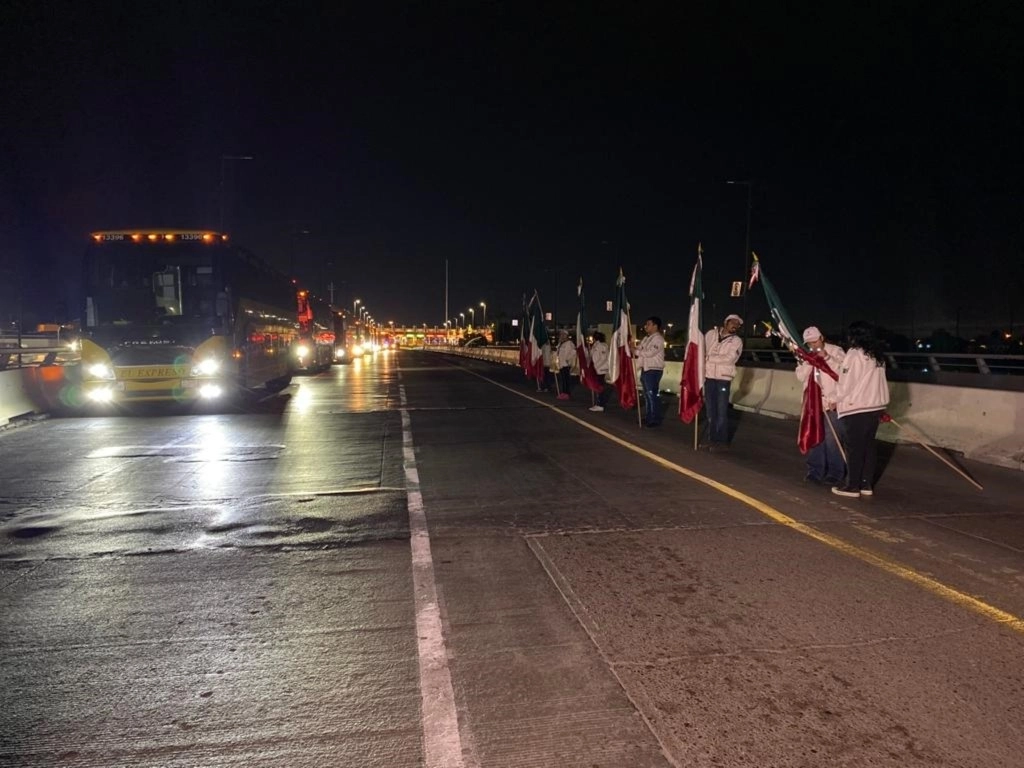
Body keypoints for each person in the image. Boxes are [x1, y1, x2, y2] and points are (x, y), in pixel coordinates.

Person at [833, 321, 890, 498]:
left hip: (856, 407)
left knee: (854, 448)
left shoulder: (854, 354)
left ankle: (852, 486)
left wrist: (832, 400)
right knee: (868, 447)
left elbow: (846, 382)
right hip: (874, 407)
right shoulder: (877, 356)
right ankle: (866, 484)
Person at [795, 326, 846, 484]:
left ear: (822, 338)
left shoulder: (836, 351)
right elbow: (800, 376)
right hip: (813, 401)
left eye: (815, 341)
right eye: (809, 343)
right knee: (815, 435)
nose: (813, 345)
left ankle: (835, 472)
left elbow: (843, 374)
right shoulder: (806, 354)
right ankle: (815, 470)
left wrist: (827, 358)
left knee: (832, 439)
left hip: (831, 401)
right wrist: (809, 362)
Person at [702, 314, 744, 449]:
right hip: (709, 377)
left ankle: (722, 440)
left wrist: (708, 358)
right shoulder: (711, 334)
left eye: (738, 324)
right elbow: (701, 349)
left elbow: (730, 358)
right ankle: (712, 438)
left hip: (723, 378)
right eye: (733, 323)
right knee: (710, 411)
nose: (735, 326)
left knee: (721, 411)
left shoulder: (737, 341)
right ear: (726, 322)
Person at [636, 316, 666, 426]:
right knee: (647, 395)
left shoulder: (658, 339)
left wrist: (636, 351)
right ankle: (649, 416)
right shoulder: (646, 338)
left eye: (648, 324)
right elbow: (639, 349)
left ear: (655, 326)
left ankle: (655, 419)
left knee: (652, 395)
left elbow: (649, 353)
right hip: (646, 369)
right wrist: (633, 348)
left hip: (654, 370)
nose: (646, 326)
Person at [588, 331, 610, 412]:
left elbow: (603, 358)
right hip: (597, 368)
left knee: (600, 387)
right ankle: (599, 403)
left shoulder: (602, 345)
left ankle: (600, 404)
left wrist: (596, 366)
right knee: (598, 386)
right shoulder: (595, 345)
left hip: (601, 369)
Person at [555, 330, 575, 400]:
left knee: (566, 380)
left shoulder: (569, 343)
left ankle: (567, 393)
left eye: (563, 335)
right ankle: (564, 392)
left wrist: (567, 360)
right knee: (563, 379)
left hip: (566, 365)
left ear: (566, 335)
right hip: (561, 364)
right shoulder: (561, 343)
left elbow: (573, 352)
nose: (561, 336)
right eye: (561, 335)